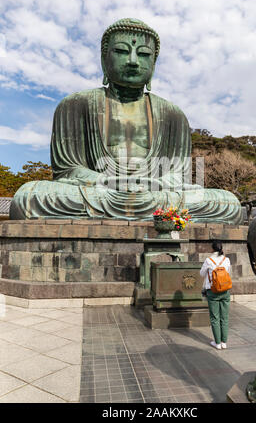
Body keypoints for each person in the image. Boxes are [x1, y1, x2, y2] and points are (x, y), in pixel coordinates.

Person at [10, 18, 242, 223]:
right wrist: (108, 181)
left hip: (156, 194)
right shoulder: (75, 104)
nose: (132, 61)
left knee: (228, 203)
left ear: (153, 65)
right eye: (122, 51)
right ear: (104, 59)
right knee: (28, 197)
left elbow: (178, 174)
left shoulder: (173, 114)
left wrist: (154, 184)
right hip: (99, 192)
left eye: (143, 54)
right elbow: (68, 170)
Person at [200, 240, 231, 350]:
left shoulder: (209, 260)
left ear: (212, 249)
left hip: (212, 291)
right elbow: (228, 273)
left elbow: (202, 274)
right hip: (225, 291)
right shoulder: (226, 260)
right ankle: (224, 342)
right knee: (225, 317)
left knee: (215, 317)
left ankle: (217, 343)